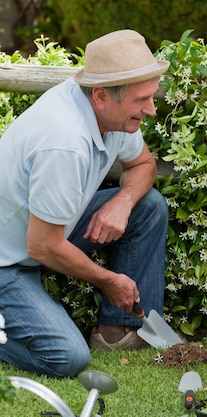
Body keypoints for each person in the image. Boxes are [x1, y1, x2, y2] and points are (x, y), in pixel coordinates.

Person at [0, 29, 169, 377]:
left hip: (44, 232)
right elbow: (44, 246)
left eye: (151, 97)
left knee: (147, 206)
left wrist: (122, 200)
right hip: (9, 260)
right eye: (142, 100)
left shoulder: (110, 113)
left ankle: (120, 332)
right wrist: (109, 280)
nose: (151, 110)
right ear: (102, 96)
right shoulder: (64, 142)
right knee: (67, 358)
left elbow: (143, 165)